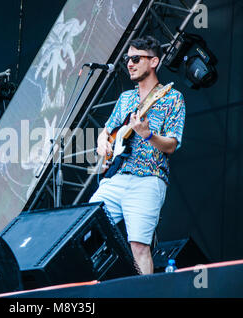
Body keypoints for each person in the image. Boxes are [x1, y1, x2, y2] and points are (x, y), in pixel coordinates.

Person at [89, 36, 186, 275]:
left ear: (153, 62)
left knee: (139, 248)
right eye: (127, 59)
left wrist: (148, 135)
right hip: (116, 177)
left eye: (135, 58)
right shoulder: (126, 98)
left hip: (148, 179)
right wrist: (102, 144)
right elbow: (107, 130)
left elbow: (171, 145)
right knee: (85, 230)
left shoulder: (172, 98)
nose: (129, 64)